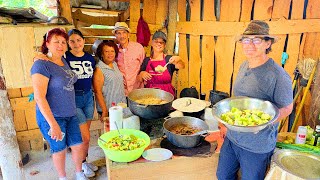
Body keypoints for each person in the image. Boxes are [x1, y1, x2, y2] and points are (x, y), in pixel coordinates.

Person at [216, 20, 293, 180]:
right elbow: (237, 100)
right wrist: (225, 123)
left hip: (256, 145)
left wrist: (262, 124)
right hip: (232, 138)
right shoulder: (244, 66)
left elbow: (287, 108)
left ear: (267, 43)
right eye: (246, 39)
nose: (249, 44)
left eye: (256, 39)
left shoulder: (278, 75)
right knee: (223, 176)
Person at [34, 29, 98, 178]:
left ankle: (79, 173)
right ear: (47, 43)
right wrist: (53, 124)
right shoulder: (41, 65)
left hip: (70, 112)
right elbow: (39, 97)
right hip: (54, 116)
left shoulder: (63, 61)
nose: (60, 45)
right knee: (59, 149)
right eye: (56, 42)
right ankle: (63, 177)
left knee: (77, 144)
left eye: (63, 42)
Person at [92, 40, 133, 129]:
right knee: (112, 133)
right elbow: (97, 92)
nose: (110, 54)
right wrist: (104, 110)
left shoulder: (114, 64)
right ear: (101, 54)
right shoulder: (99, 69)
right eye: (106, 51)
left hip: (121, 105)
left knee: (122, 131)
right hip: (109, 108)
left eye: (112, 51)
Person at [138, 31, 185, 97]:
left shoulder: (169, 59)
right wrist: (142, 74)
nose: (159, 44)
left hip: (166, 96)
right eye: (156, 41)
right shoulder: (146, 60)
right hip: (149, 96)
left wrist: (179, 59)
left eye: (161, 42)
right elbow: (139, 79)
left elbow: (181, 66)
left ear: (164, 45)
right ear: (152, 43)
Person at [112, 22, 145, 95]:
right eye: (118, 33)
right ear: (115, 35)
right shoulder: (114, 50)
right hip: (121, 90)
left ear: (128, 34)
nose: (122, 36)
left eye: (124, 32)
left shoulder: (138, 48)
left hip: (137, 89)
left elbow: (144, 66)